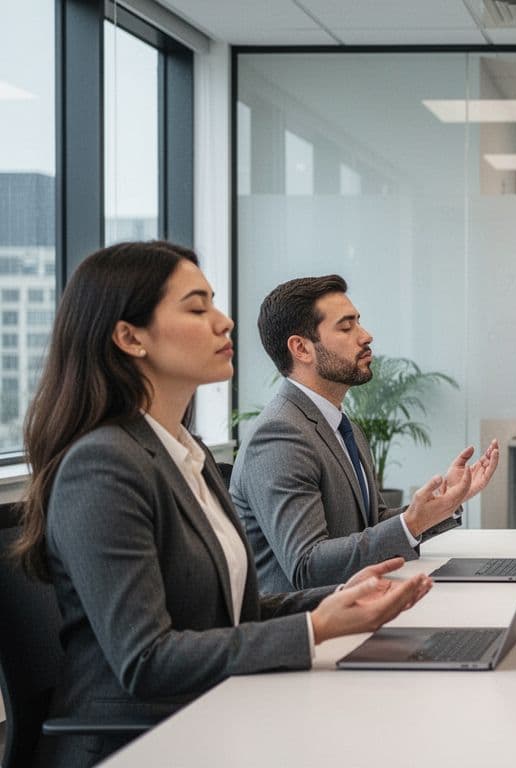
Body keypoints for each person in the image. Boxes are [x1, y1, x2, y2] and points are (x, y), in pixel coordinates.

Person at [9, 242, 433, 768]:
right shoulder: (102, 466)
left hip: (214, 711)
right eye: (196, 307)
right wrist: (317, 628)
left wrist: (339, 599)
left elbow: (233, 612)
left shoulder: (186, 452)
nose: (224, 321)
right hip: (141, 742)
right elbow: (148, 661)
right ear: (129, 337)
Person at [232, 275, 498, 593]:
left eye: (359, 323)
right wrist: (411, 523)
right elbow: (307, 566)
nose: (366, 336)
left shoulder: (343, 426)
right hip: (313, 629)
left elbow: (369, 523)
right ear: (301, 348)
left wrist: (445, 501)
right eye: (346, 327)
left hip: (361, 605)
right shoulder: (280, 435)